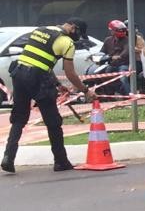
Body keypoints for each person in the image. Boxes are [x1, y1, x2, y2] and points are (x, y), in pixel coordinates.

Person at [2, 18, 95, 173]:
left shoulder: (40, 31)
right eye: (78, 34)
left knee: (19, 118)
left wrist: (57, 84)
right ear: (74, 28)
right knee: (53, 121)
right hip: (38, 79)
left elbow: (39, 60)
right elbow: (70, 73)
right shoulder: (67, 43)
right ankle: (61, 161)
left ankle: (8, 158)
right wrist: (85, 90)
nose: (77, 38)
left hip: (19, 73)